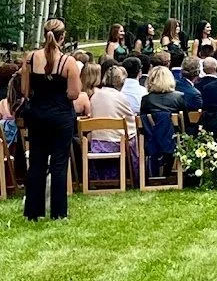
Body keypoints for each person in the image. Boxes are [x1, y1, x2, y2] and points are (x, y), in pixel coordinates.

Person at [20, 19, 81, 221]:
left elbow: (25, 90)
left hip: (37, 114)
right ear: (63, 37)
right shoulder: (68, 62)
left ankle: (33, 211)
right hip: (60, 115)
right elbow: (74, 93)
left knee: (36, 162)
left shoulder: (30, 58)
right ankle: (58, 212)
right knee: (59, 163)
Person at [90, 64, 138, 177]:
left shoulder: (95, 96)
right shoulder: (121, 97)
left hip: (97, 142)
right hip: (117, 143)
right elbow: (130, 119)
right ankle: (133, 176)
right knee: (134, 136)